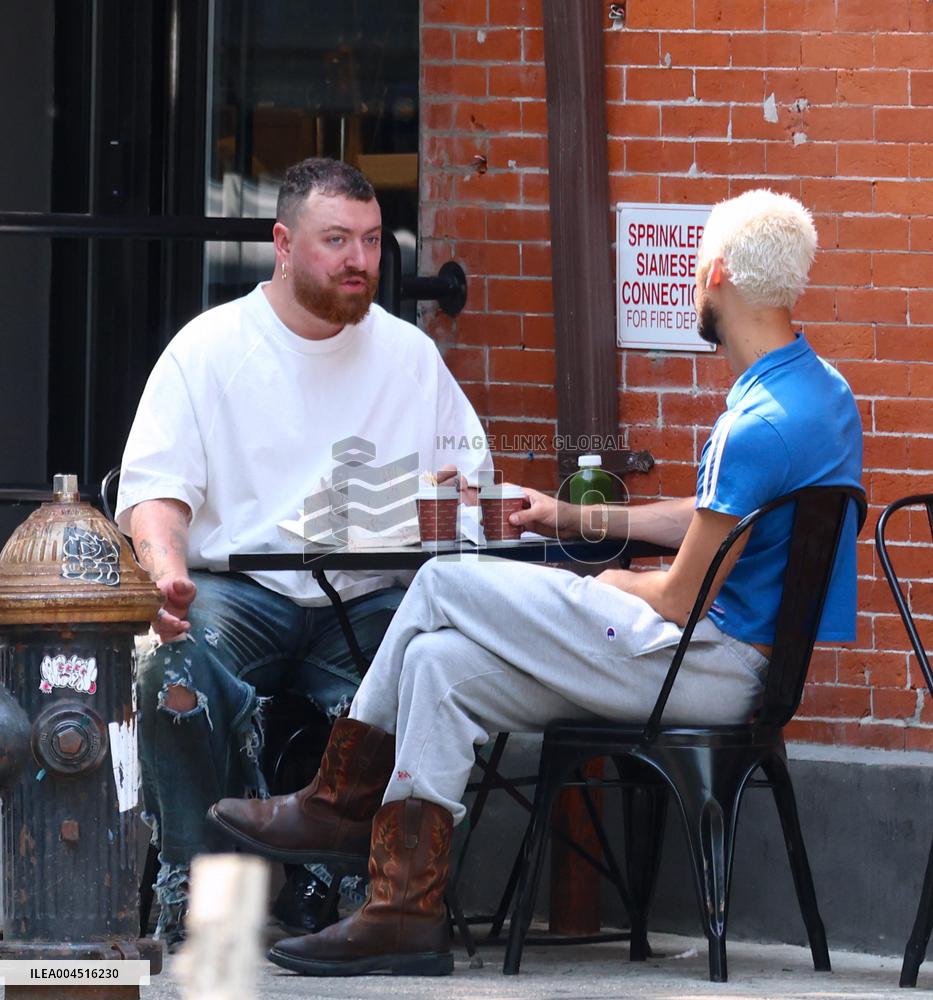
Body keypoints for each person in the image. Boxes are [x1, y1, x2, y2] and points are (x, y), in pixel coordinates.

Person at [209, 189, 863, 977]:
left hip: (702, 665)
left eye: (696, 266)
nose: (692, 280)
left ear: (718, 271)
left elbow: (677, 598)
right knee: (437, 665)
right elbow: (719, 516)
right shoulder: (819, 392)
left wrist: (603, 585)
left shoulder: (752, 426)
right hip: (733, 662)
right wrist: (572, 519)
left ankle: (338, 802)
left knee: (446, 580)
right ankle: (403, 912)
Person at [115, 157, 491, 948]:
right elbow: (156, 490)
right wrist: (168, 572)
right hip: (235, 589)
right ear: (283, 244)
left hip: (367, 594)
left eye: (369, 241)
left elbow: (472, 493)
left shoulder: (409, 357)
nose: (358, 260)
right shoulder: (210, 348)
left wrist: (456, 500)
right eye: (335, 241)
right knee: (168, 671)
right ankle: (199, 883)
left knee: (430, 660)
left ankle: (349, 887)